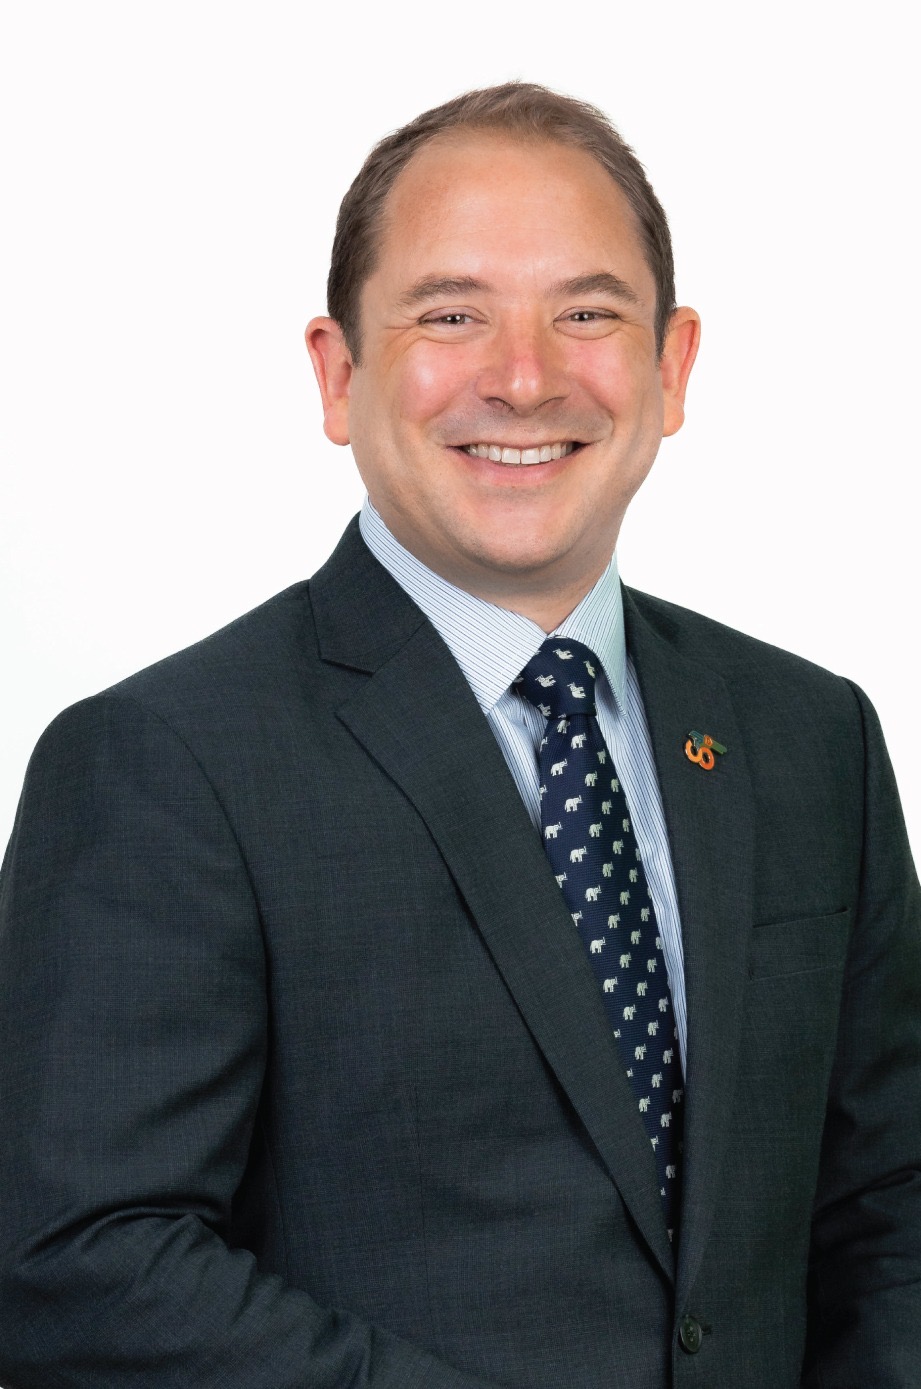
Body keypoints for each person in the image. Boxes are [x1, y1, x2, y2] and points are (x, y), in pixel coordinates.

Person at [0, 82, 918, 1389]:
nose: (525, 376)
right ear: (338, 374)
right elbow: (82, 1265)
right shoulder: (165, 764)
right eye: (450, 315)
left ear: (671, 368)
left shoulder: (809, 736)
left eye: (586, 313)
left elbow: (891, 1204)